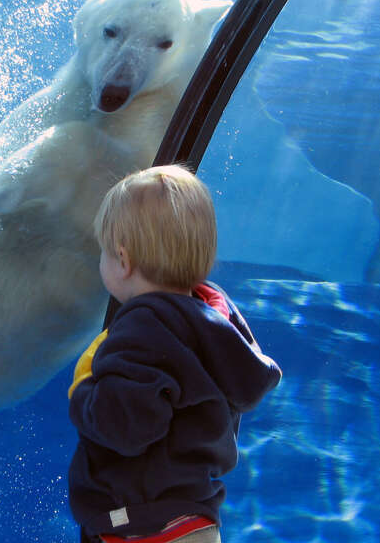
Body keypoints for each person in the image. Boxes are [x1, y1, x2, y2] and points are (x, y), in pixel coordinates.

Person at [68, 164, 281, 543]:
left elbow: (125, 428)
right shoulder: (217, 316)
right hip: (196, 519)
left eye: (103, 251)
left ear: (123, 259)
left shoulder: (144, 327)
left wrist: (85, 386)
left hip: (141, 524)